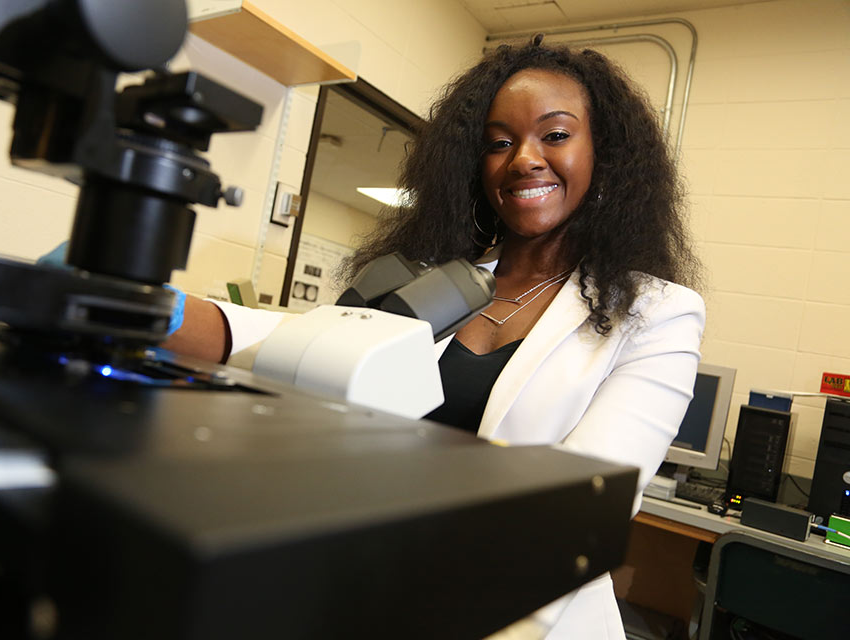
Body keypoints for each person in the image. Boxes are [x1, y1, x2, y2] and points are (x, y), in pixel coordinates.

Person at [163, 39, 704, 639]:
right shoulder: (433, 277)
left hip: (516, 614)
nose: (523, 158)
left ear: (606, 154)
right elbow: (295, 340)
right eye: (499, 142)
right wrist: (153, 310)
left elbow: (581, 506)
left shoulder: (658, 313)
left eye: (555, 135)